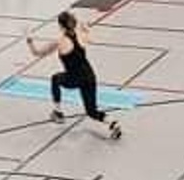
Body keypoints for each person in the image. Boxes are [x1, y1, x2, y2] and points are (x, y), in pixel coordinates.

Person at [26, 11, 122, 139]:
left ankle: (58, 112)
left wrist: (30, 42)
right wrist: (86, 28)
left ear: (60, 26)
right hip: (90, 76)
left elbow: (37, 53)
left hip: (74, 78)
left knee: (55, 78)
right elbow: (89, 37)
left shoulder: (59, 41)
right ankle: (113, 123)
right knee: (91, 111)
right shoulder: (81, 36)